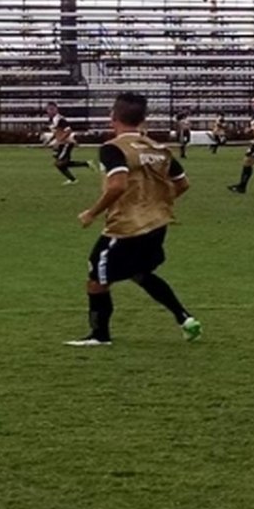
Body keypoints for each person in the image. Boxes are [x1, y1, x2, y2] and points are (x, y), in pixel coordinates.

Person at [66, 92, 202, 347]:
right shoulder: (159, 149)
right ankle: (185, 319)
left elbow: (117, 186)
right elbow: (183, 184)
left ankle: (99, 336)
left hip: (126, 227)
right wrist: (155, 201)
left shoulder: (112, 148)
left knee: (96, 277)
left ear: (113, 118)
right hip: (157, 224)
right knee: (139, 272)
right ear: (143, 119)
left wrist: (91, 213)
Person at [45, 102, 94, 185]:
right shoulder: (51, 120)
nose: (50, 111)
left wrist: (59, 140)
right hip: (62, 144)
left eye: (52, 109)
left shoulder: (60, 119)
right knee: (64, 163)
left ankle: (73, 180)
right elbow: (57, 132)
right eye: (49, 109)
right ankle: (86, 164)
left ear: (56, 109)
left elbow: (68, 131)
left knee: (59, 164)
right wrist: (50, 140)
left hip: (66, 143)